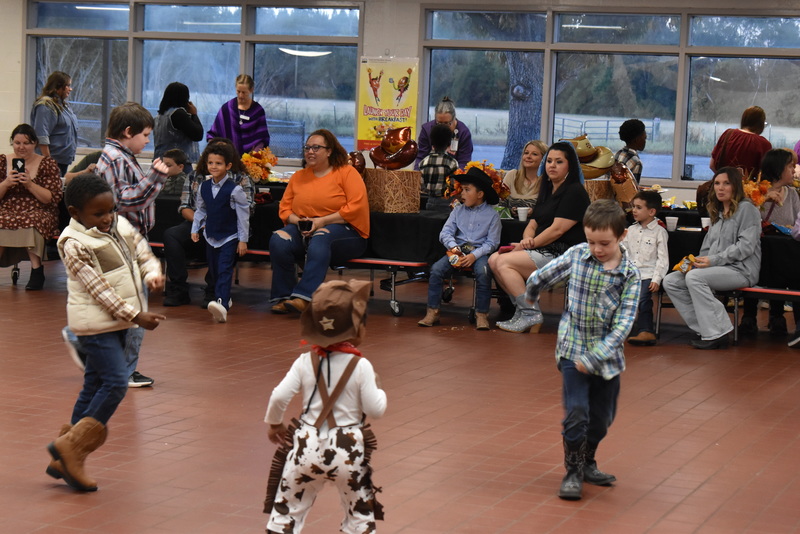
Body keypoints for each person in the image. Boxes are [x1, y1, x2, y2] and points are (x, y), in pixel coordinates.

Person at [47, 174, 165, 492]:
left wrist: (152, 273)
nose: (107, 218)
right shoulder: (72, 243)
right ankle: (73, 449)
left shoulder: (116, 224)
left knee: (93, 385)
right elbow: (100, 291)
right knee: (115, 383)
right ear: (74, 212)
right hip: (94, 326)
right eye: (98, 214)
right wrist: (137, 316)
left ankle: (63, 451)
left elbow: (140, 248)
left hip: (118, 324)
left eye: (110, 210)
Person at [524, 199, 640, 500]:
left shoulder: (630, 275)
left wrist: (595, 356)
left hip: (606, 358)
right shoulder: (577, 255)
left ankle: (588, 460)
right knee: (577, 412)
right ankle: (572, 470)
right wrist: (532, 292)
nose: (597, 249)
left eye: (604, 243)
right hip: (572, 349)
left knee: (602, 419)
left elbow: (623, 326)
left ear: (621, 237)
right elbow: (544, 274)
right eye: (591, 241)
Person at [264, 279, 387, 533]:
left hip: (305, 444)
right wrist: (380, 388)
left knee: (287, 512)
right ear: (356, 328)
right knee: (359, 514)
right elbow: (376, 409)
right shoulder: (361, 365)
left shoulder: (304, 360)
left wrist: (275, 423)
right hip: (348, 449)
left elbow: (279, 396)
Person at [92, 101, 169, 387]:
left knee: (126, 304)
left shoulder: (122, 156)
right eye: (146, 135)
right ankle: (122, 370)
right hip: (122, 242)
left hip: (130, 240)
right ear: (128, 131)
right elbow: (126, 200)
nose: (148, 141)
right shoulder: (114, 158)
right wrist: (157, 177)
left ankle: (116, 366)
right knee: (135, 305)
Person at [488, 141, 591, 333]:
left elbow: (557, 230)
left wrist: (530, 244)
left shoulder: (575, 191)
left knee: (504, 263)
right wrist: (526, 240)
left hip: (565, 254)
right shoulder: (548, 189)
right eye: (549, 161)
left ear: (570, 166)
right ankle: (524, 311)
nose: (552, 165)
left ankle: (531, 314)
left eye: (558, 162)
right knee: (494, 259)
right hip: (543, 249)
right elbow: (533, 223)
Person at [269, 129, 369, 315]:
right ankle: (284, 296)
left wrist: (321, 222)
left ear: (329, 151)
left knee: (321, 237)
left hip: (344, 231)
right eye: (307, 148)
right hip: (304, 227)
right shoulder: (298, 177)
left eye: (316, 147)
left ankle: (304, 297)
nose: (310, 152)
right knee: (279, 239)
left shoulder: (347, 173)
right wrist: (298, 222)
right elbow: (284, 209)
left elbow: (356, 207)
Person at [663, 167, 761, 350]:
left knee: (695, 278)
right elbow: (707, 249)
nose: (720, 188)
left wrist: (712, 261)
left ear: (735, 187)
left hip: (741, 269)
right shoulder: (716, 212)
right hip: (716, 268)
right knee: (671, 281)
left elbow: (745, 247)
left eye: (726, 183)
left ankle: (718, 331)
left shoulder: (747, 209)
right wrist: (696, 262)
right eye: (717, 183)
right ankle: (707, 328)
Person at [162, 138, 254, 308]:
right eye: (211, 160)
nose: (214, 165)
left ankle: (214, 291)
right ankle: (178, 289)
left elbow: (247, 209)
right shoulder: (195, 176)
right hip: (197, 222)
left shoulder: (241, 178)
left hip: (227, 225)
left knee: (225, 244)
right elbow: (184, 206)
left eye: (220, 158)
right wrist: (200, 224)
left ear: (229, 160)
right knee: (171, 235)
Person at [418, 167, 502, 330]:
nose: (461, 193)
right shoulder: (457, 211)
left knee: (483, 272)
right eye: (462, 189)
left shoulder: (492, 216)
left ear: (480, 194)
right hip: (458, 250)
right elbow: (445, 233)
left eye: (466, 190)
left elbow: (492, 243)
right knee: (436, 270)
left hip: (479, 252)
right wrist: (454, 248)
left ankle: (482, 314)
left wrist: (474, 255)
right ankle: (432, 311)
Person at [739, 148, 800, 337]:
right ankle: (748, 315)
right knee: (757, 269)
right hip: (759, 247)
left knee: (783, 269)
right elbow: (745, 219)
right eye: (790, 166)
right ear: (778, 168)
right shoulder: (754, 191)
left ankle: (777, 315)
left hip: (783, 250)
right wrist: (763, 199)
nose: (794, 170)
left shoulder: (793, 194)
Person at [190, 142, 249, 323]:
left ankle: (221, 303)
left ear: (228, 166)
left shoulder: (235, 190)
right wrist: (195, 228)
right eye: (211, 163)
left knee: (224, 269)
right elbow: (201, 210)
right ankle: (225, 299)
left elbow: (243, 216)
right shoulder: (203, 187)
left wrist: (242, 240)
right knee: (214, 270)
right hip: (211, 236)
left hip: (229, 237)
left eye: (219, 163)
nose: (214, 167)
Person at [0, 124, 63, 290]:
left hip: (39, 208)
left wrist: (29, 184)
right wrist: (6, 183)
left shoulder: (47, 164)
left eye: (26, 143)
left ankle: (37, 270)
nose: (21, 147)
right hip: (7, 207)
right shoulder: (2, 161)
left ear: (34, 143)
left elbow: (51, 198)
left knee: (32, 220)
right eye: (17, 143)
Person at [623, 191, 669, 346]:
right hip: (629, 274)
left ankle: (646, 331)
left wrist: (657, 279)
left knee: (643, 299)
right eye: (633, 207)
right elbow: (623, 251)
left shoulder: (659, 232)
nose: (634, 210)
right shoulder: (631, 230)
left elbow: (662, 259)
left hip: (647, 275)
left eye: (638, 207)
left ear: (651, 212)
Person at [206, 74, 270, 156]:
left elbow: (262, 138)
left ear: (251, 90)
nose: (240, 95)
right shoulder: (227, 108)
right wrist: (218, 147)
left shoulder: (258, 111)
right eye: (238, 91)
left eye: (244, 93)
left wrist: (255, 155)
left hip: (250, 160)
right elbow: (213, 135)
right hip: (228, 158)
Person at [30, 71, 78, 176]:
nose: (70, 89)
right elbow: (41, 136)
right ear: (58, 86)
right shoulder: (46, 106)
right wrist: (49, 163)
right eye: (68, 86)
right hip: (51, 162)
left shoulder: (63, 106)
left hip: (61, 161)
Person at [710, 106, 772, 179]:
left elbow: (712, 165)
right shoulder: (763, 144)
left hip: (722, 187)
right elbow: (766, 176)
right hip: (748, 189)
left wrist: (725, 180)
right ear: (761, 124)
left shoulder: (728, 134)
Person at [414, 96, 473, 170]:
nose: (442, 127)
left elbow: (464, 162)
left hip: (454, 174)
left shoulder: (463, 133)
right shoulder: (426, 130)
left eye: (446, 123)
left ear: (454, 118)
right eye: (439, 123)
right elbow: (420, 157)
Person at [152, 82, 203, 168]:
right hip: (177, 165)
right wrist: (194, 114)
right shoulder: (178, 113)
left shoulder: (159, 116)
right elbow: (197, 135)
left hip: (159, 162)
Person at [419, 123, 459, 212]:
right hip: (447, 204)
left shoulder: (423, 162)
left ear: (432, 141)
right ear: (449, 143)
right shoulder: (452, 163)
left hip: (429, 202)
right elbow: (454, 186)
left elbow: (422, 186)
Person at [500, 140, 547, 214]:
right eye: (526, 153)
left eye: (534, 154)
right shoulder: (512, 175)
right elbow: (501, 206)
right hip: (510, 224)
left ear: (543, 159)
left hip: (537, 224)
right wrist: (510, 211)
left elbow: (550, 210)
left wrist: (534, 212)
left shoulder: (547, 181)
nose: (528, 156)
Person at [614, 119, 647, 183]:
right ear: (637, 140)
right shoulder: (636, 162)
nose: (645, 141)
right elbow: (632, 189)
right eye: (644, 138)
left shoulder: (618, 154)